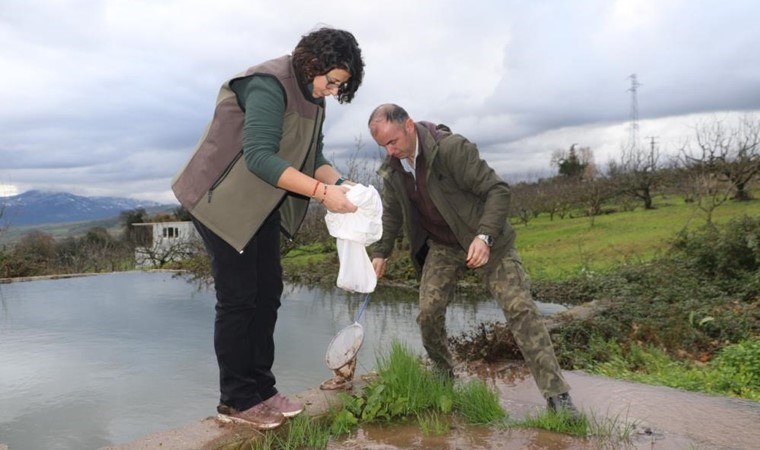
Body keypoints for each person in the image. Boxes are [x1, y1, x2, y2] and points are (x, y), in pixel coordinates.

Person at [171, 28, 364, 430]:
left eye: (339, 85)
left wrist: (343, 185)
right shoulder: (267, 84)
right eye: (330, 80)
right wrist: (321, 194)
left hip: (261, 205)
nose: (331, 90)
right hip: (220, 201)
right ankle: (236, 400)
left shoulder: (314, 98)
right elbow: (259, 157)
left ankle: (261, 389)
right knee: (239, 298)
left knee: (268, 293)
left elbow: (314, 155)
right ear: (312, 61)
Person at [367, 104, 579, 416]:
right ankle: (443, 376)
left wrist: (485, 236)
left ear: (409, 125)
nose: (390, 150)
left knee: (520, 310)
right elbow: (392, 213)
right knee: (428, 313)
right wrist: (380, 252)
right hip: (443, 245)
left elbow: (498, 191)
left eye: (393, 141)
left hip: (486, 240)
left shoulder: (451, 149)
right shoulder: (394, 170)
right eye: (383, 145)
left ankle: (557, 396)